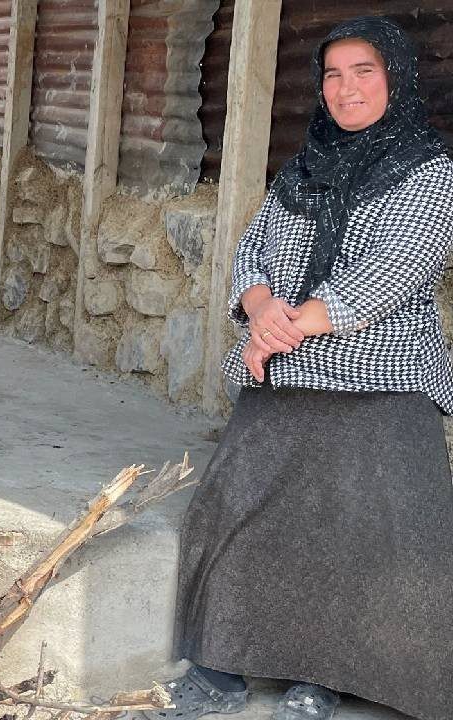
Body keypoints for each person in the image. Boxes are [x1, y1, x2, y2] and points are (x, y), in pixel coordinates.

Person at [141, 16, 453, 720]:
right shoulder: (303, 169)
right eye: (333, 74)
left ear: (396, 79)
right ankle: (230, 655)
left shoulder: (433, 175)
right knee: (232, 506)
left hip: (383, 379)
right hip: (283, 370)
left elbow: (391, 275)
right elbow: (252, 250)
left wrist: (278, 331)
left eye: (363, 72)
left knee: (351, 517)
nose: (345, 89)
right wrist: (258, 309)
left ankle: (328, 674)